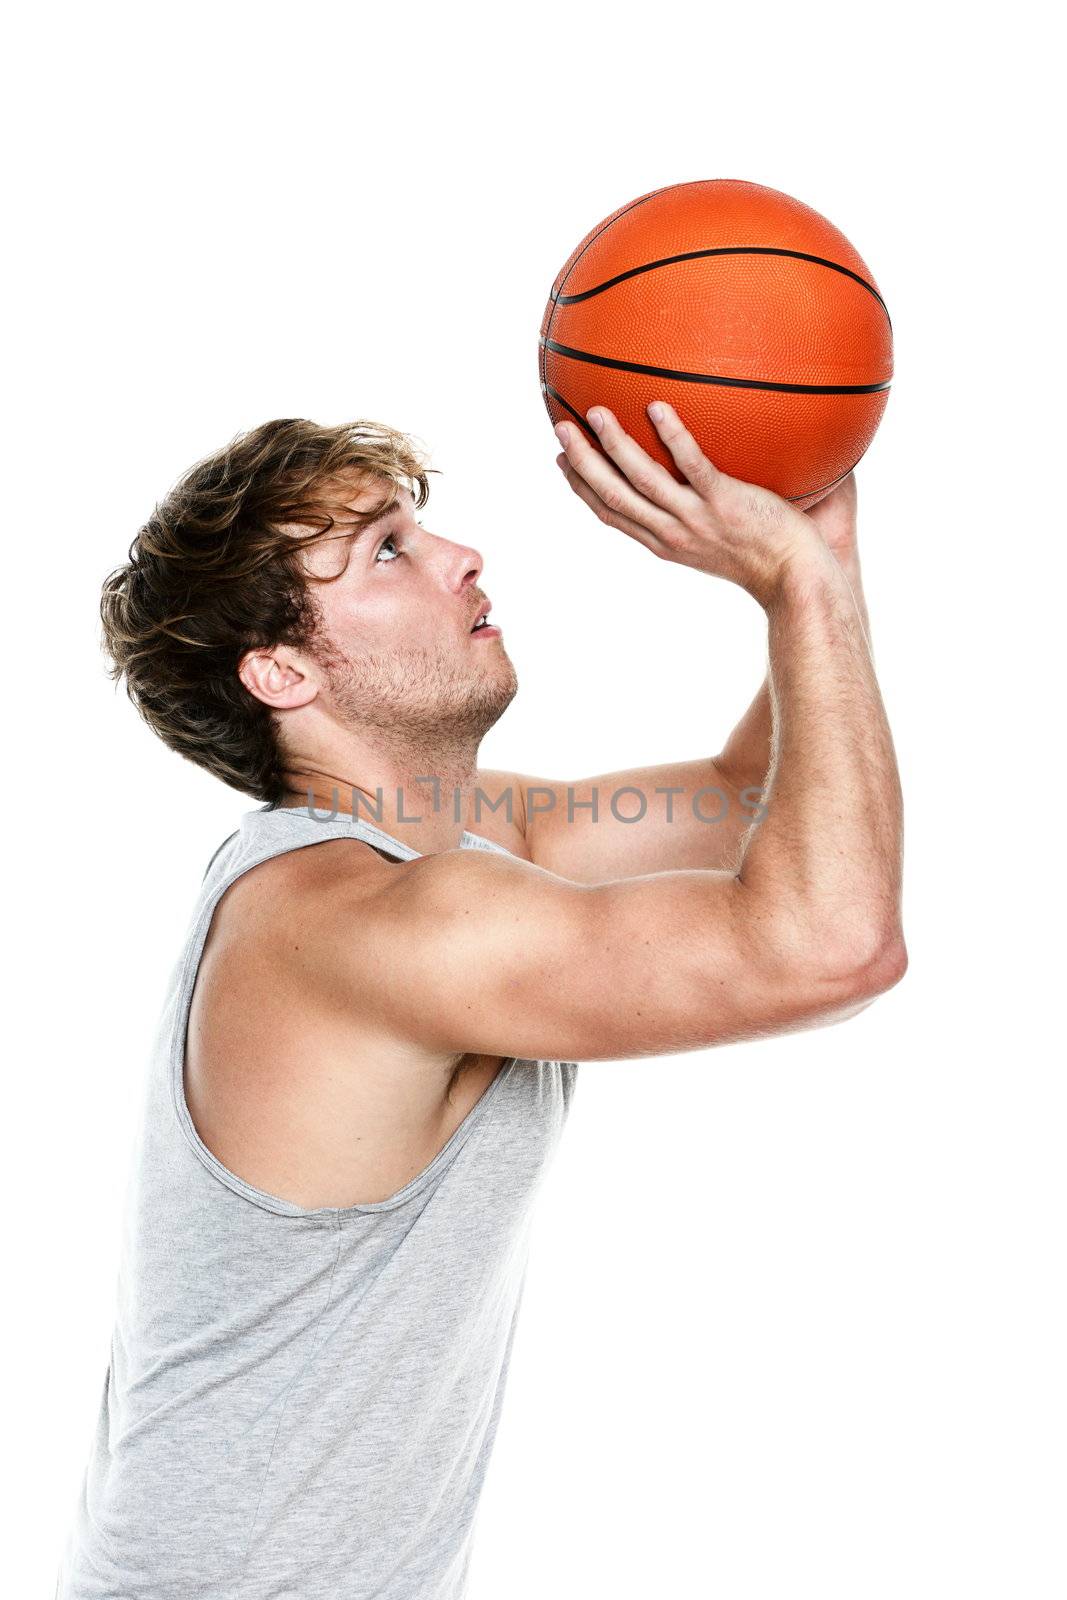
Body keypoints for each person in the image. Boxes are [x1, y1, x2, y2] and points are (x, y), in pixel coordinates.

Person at [55, 401, 906, 1599]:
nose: (461, 558)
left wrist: (821, 559)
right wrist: (797, 596)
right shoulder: (363, 922)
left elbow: (746, 797)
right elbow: (831, 943)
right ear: (281, 671)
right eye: (387, 551)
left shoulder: (462, 836)